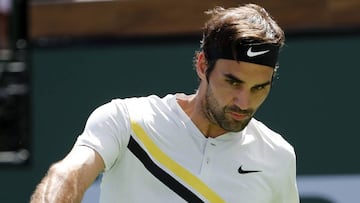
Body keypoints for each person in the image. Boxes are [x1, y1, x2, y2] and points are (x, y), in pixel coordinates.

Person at [30, 3, 299, 203]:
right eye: (233, 83)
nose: (244, 101)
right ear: (203, 65)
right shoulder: (127, 120)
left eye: (259, 88)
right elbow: (69, 175)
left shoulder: (277, 157)